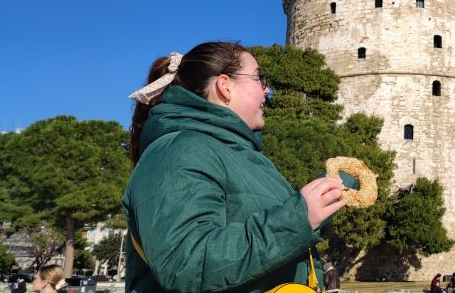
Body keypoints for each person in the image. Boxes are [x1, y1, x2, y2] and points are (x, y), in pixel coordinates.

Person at [122, 42, 349, 293]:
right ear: (225, 86)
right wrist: (298, 218)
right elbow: (185, 263)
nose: (267, 91)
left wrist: (330, 192)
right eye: (258, 79)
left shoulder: (244, 158)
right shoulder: (178, 150)